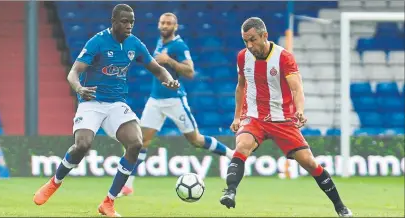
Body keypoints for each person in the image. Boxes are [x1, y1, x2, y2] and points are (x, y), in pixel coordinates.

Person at [32, 4, 179, 217]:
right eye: (124, 21)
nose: (129, 26)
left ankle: (108, 202)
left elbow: (157, 68)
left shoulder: (134, 44)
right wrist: (80, 88)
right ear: (114, 22)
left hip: (116, 104)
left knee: (136, 143)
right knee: (82, 145)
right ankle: (55, 182)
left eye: (132, 22)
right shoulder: (98, 42)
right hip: (91, 102)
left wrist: (169, 80)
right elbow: (73, 73)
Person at [219, 17, 353, 217]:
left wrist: (300, 110)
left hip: (282, 119)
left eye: (253, 39)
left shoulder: (284, 57)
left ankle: (340, 207)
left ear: (265, 35)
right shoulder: (242, 57)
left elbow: (297, 88)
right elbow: (240, 86)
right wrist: (237, 117)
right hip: (254, 117)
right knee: (242, 146)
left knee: (309, 162)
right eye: (245, 41)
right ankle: (230, 191)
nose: (249, 45)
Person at [119, 13, 234, 197]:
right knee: (139, 143)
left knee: (195, 140)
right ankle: (127, 185)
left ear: (175, 26)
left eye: (169, 23)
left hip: (175, 100)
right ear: (159, 24)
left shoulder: (179, 45)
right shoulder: (160, 42)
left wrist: (169, 61)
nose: (165, 26)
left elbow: (190, 71)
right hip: (155, 100)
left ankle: (230, 154)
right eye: (162, 22)